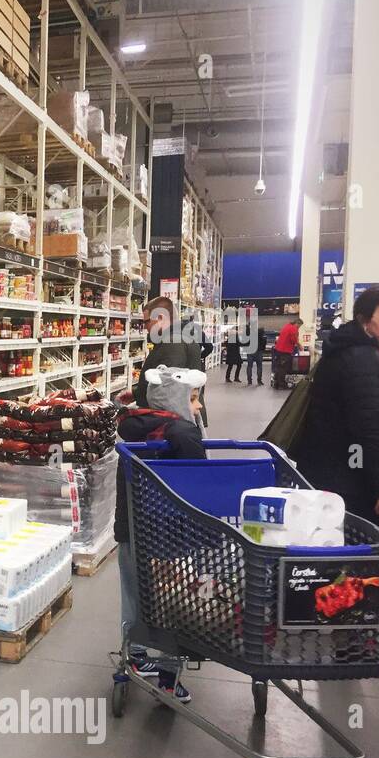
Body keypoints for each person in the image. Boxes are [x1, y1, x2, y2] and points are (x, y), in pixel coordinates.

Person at [115, 365, 208, 703]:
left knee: (134, 593)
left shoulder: (134, 428)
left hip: (133, 530)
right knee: (174, 603)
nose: (197, 407)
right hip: (172, 535)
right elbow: (198, 487)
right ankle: (168, 676)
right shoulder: (183, 434)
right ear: (177, 398)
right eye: (194, 399)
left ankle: (135, 655)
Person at [291, 286, 379, 523]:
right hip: (349, 480)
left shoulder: (343, 349)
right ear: (365, 320)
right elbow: (368, 428)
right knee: (358, 548)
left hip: (328, 470)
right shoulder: (362, 360)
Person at [134, 296, 208, 426]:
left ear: (160, 318)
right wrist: (136, 394)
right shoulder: (182, 338)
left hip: (174, 424)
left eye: (146, 322)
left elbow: (167, 390)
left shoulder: (173, 343)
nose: (145, 327)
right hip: (185, 419)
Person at [272, 316, 300, 388]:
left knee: (278, 366)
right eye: (299, 326)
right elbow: (293, 339)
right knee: (283, 368)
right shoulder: (293, 328)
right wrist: (299, 345)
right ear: (297, 323)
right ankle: (282, 384)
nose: (299, 327)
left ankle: (276, 383)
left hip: (279, 349)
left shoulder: (287, 326)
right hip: (285, 350)